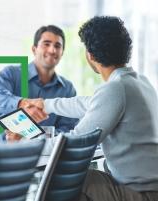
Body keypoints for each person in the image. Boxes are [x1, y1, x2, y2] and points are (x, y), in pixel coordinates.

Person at [15, 16, 158, 200]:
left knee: (67, 177)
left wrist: (25, 145)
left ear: (90, 55)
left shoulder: (115, 89)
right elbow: (88, 103)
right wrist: (45, 104)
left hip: (142, 194)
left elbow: (73, 143)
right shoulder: (139, 82)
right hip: (149, 188)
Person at [0, 25, 78, 140]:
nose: (52, 50)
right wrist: (23, 103)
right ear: (34, 49)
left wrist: (31, 137)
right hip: (6, 150)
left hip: (47, 154)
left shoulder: (68, 89)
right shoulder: (11, 73)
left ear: (62, 53)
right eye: (46, 44)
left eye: (57, 46)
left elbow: (68, 130)